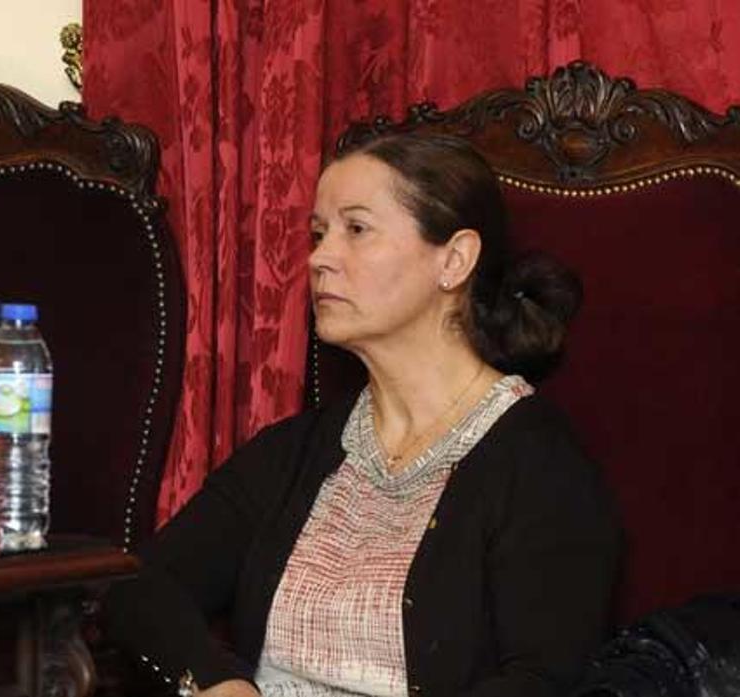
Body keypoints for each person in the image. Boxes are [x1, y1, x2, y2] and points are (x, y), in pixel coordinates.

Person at [104, 134, 621, 697]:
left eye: (356, 229)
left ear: (454, 260)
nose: (319, 258)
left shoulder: (538, 464)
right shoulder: (300, 450)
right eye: (319, 234)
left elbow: (542, 680)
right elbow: (142, 585)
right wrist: (218, 680)